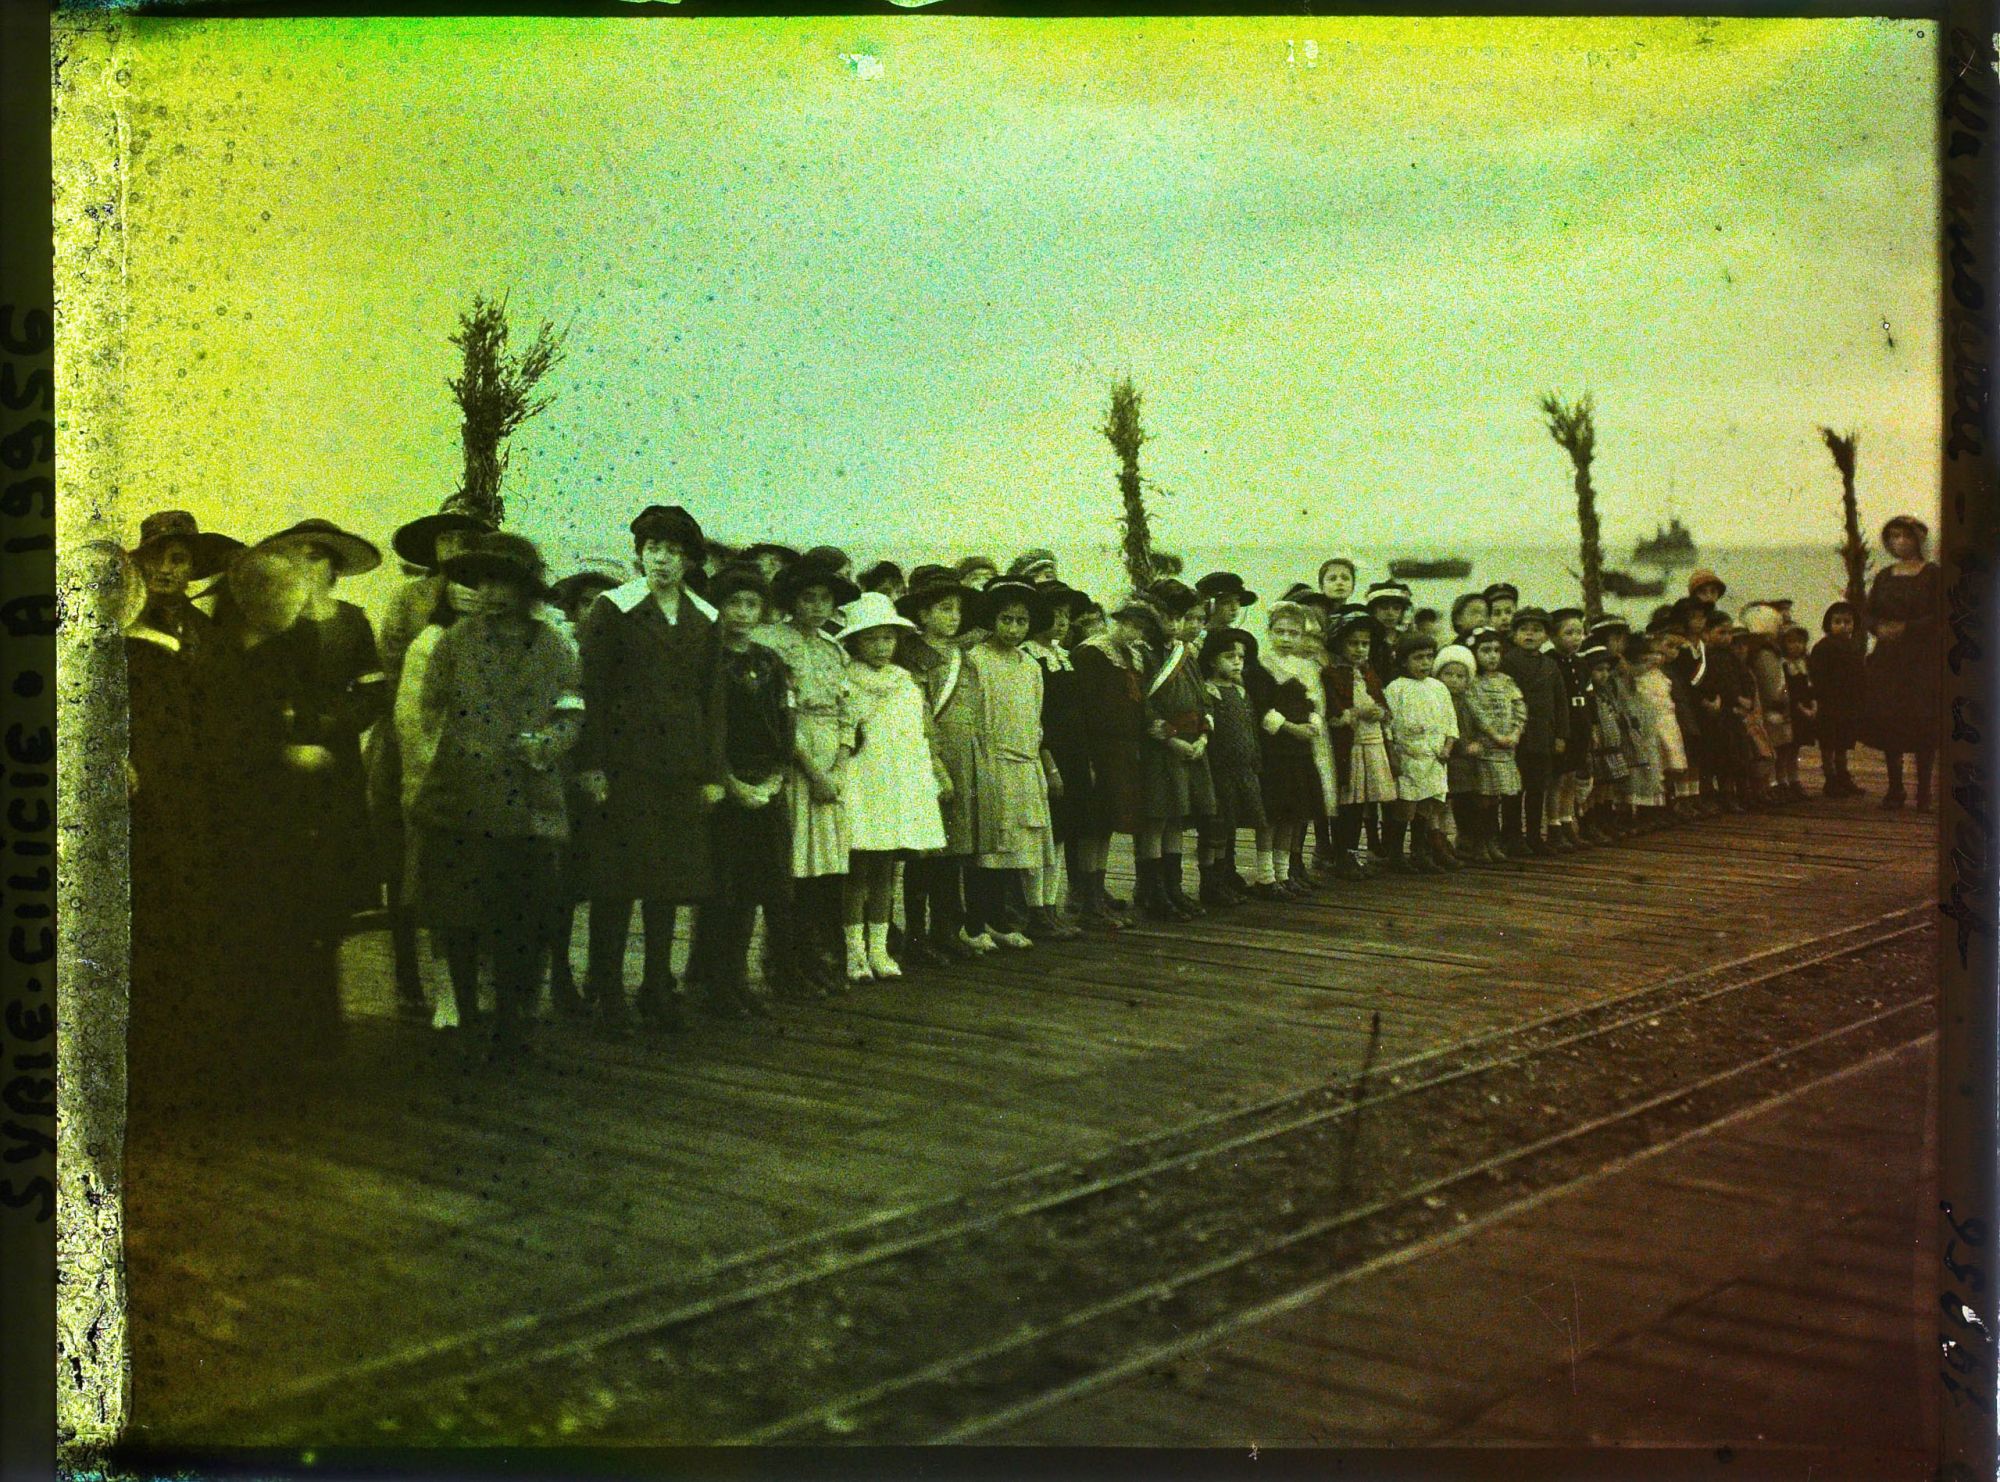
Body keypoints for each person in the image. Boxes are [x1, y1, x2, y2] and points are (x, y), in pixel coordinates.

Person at [407, 533, 582, 1055]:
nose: (491, 592)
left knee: (522, 919)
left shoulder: (555, 646)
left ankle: (514, 1021)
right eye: (483, 581)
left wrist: (546, 744)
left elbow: (572, 713)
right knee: (460, 915)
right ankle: (465, 1014)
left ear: (526, 589)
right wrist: (466, 749)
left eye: (504, 581)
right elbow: (429, 710)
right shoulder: (455, 641)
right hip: (460, 804)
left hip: (530, 807)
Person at [573, 504, 725, 1037]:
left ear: (688, 560)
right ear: (638, 553)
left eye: (673, 551)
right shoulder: (612, 608)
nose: (661, 560)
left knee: (668, 882)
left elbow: (713, 700)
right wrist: (591, 764)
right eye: (652, 549)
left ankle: (657, 987)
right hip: (624, 765)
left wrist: (711, 772)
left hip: (680, 768)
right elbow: (591, 691)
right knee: (614, 883)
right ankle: (606, 990)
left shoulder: (706, 617)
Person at [371, 508, 493, 1015]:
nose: (456, 547)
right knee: (404, 857)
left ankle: (467, 977)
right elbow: (394, 665)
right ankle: (406, 970)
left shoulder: (490, 595)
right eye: (447, 539)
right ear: (434, 547)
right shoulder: (411, 598)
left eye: (466, 538)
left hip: (478, 748)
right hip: (410, 739)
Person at [255, 518, 388, 918]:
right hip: (282, 753)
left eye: (315, 560)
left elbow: (373, 691)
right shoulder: (268, 622)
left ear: (333, 568)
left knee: (338, 861)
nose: (306, 569)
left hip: (337, 756)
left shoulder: (352, 623)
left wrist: (337, 723)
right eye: (296, 560)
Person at [684, 567, 796, 1016]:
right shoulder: (705, 658)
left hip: (766, 786)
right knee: (720, 887)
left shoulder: (770, 661)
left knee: (756, 885)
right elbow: (702, 729)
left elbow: (785, 723)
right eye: (735, 604)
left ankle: (737, 979)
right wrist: (731, 783)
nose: (744, 614)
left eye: (752, 605)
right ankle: (712, 982)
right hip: (723, 785)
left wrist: (773, 780)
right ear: (719, 607)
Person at [759, 556, 860, 993]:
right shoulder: (773, 644)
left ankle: (814, 955)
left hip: (830, 760)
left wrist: (838, 762)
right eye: (808, 598)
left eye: (825, 599)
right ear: (791, 601)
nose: (817, 607)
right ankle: (782, 961)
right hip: (795, 758)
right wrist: (814, 771)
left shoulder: (833, 649)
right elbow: (782, 714)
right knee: (794, 865)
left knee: (826, 867)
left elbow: (846, 711)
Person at [838, 592, 948, 980]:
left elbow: (915, 738)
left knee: (886, 870)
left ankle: (879, 950)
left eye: (888, 638)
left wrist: (923, 783)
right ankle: (853, 952)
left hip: (894, 785)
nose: (882, 647)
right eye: (872, 639)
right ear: (855, 642)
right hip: (860, 783)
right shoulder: (846, 680)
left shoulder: (905, 684)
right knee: (857, 870)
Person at [898, 565, 987, 955]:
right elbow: (918, 714)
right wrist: (934, 764)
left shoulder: (963, 658)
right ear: (922, 614)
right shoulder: (912, 657)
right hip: (929, 760)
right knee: (925, 852)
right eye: (943, 609)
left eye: (957, 610)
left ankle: (947, 929)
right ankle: (917, 934)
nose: (952, 617)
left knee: (956, 851)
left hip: (965, 760)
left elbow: (976, 712)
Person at [964, 579, 1054, 949]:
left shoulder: (1030, 666)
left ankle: (1003, 919)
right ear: (992, 619)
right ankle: (976, 923)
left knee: (1015, 849)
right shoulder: (976, 659)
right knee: (987, 848)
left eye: (1020, 621)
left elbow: (1035, 718)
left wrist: (1037, 764)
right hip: (990, 762)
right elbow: (973, 716)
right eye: (1006, 620)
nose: (1013, 629)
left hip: (1022, 764)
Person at [1072, 599, 1156, 927]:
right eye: (1131, 624)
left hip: (1124, 750)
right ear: (1117, 620)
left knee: (1107, 823)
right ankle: (1086, 901)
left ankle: (1097, 894)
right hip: (1098, 748)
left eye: (1141, 628)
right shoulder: (1091, 653)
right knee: (1093, 824)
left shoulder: (1133, 656)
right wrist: (1087, 756)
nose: (1135, 632)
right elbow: (1082, 707)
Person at [1135, 580, 1215, 921]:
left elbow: (1203, 698)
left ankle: (1174, 888)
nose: (1175, 624)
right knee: (1156, 820)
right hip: (1161, 748)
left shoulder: (1186, 654)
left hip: (1190, 745)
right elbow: (1140, 705)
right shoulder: (1143, 654)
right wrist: (1170, 738)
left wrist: (1202, 738)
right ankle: (1153, 892)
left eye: (1180, 617)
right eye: (1168, 615)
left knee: (1177, 821)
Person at [1023, 585, 1090, 941]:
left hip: (1073, 753)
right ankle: (1034, 908)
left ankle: (1052, 906)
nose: (1062, 622)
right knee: (1043, 834)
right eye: (1055, 614)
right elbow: (1036, 716)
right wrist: (1048, 763)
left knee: (1063, 833)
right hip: (1046, 753)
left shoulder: (1064, 656)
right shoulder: (1029, 657)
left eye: (1066, 615)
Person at [1865, 514, 1941, 811]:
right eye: (1893, 537)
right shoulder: (1884, 576)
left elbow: (1942, 613)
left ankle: (1923, 792)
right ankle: (1895, 788)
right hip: (1888, 659)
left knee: (1923, 722)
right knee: (1890, 721)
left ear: (1918, 540)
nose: (1899, 542)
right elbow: (1868, 611)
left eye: (1905, 536)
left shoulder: (1933, 575)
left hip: (1921, 659)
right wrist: (1877, 628)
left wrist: (1908, 628)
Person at [1258, 600, 1332, 892]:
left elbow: (1314, 701)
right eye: (1280, 632)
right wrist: (1291, 728)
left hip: (1300, 750)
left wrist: (1313, 721)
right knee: (1272, 814)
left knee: (1293, 812)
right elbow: (1262, 707)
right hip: (1275, 749)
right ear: (1269, 632)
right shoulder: (1262, 665)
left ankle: (1284, 873)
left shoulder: (1306, 667)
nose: (1286, 638)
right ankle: (1266, 876)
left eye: (1293, 633)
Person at [1325, 610, 1397, 874]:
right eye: (1353, 643)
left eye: (1364, 644)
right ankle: (1343, 854)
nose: (1359, 649)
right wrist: (1355, 713)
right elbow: (1334, 713)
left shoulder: (1369, 674)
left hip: (1372, 742)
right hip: (1351, 744)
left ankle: (1355, 853)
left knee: (1367, 800)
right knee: (1350, 803)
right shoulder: (1334, 674)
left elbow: (1382, 703)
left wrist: (1381, 712)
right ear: (1341, 644)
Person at [1198, 628, 1266, 906]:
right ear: (1213, 660)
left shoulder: (1240, 690)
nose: (1237, 662)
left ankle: (1228, 873)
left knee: (1233, 823)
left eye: (1241, 656)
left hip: (1243, 769)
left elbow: (1249, 729)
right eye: (1229, 656)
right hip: (1219, 770)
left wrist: (1255, 759)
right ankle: (1210, 881)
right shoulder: (1208, 690)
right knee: (1216, 827)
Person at [1383, 632, 1459, 872]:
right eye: (1418, 658)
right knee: (1406, 807)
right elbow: (1388, 726)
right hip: (1409, 757)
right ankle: (1395, 854)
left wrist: (1447, 747)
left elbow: (1450, 722)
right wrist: (1393, 755)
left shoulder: (1438, 688)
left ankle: (1420, 852)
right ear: (1404, 661)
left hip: (1435, 758)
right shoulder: (1396, 689)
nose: (1425, 663)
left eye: (1429, 658)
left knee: (1427, 806)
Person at [128, 510, 242, 657]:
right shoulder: (128, 618)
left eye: (177, 560)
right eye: (155, 559)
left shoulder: (205, 627)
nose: (164, 569)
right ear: (143, 564)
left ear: (193, 568)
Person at [1460, 630, 1525, 867]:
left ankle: (1492, 841)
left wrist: (1516, 732)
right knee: (1483, 798)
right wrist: (1495, 735)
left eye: (1496, 651)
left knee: (1496, 797)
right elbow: (1476, 713)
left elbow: (1519, 708)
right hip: (1485, 748)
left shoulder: (1507, 682)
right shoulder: (1472, 684)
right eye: (1486, 651)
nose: (1492, 656)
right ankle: (1479, 843)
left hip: (1505, 748)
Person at [1500, 606, 1561, 857]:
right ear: (1514, 634)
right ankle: (1512, 836)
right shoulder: (1508, 662)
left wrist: (1560, 735)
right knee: (1514, 789)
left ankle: (1535, 836)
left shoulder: (1550, 665)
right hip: (1517, 737)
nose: (1530, 635)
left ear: (1546, 636)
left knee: (1537, 789)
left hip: (1543, 736)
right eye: (1523, 629)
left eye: (1536, 630)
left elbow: (1561, 702)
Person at [1810, 601, 1868, 798]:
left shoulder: (1855, 647)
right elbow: (1817, 676)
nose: (1843, 626)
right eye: (1837, 622)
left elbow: (1860, 674)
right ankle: (1830, 778)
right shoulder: (1823, 647)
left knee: (1844, 741)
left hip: (1848, 702)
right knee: (1828, 742)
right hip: (1829, 703)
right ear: (1829, 624)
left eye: (1847, 622)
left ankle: (1843, 776)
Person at [1629, 633, 1687, 825]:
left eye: (1658, 654)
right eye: (1650, 654)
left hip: (1667, 724)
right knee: (1654, 766)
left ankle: (1668, 803)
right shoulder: (1638, 676)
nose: (1655, 658)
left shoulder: (1661, 674)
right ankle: (1650, 809)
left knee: (1670, 764)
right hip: (1649, 725)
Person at [1777, 623, 1816, 803]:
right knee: (1784, 748)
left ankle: (1794, 780)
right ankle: (1781, 781)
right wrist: (1801, 707)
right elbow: (1787, 690)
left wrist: (1813, 704)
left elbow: (1810, 687)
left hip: (1805, 710)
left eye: (1800, 642)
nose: (1796, 646)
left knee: (1795, 748)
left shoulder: (1804, 663)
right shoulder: (1783, 665)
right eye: (1791, 641)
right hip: (1791, 710)